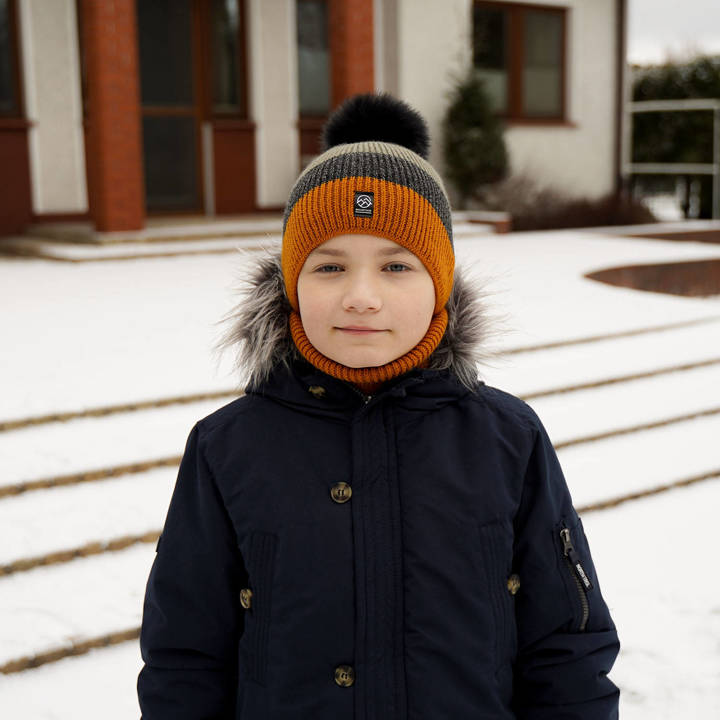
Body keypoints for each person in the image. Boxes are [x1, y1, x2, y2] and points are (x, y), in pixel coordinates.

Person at [137, 93, 620, 719]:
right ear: (290, 285)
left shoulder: (507, 437)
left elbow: (567, 640)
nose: (361, 297)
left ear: (440, 285)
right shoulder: (227, 445)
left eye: (396, 265)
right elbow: (185, 653)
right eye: (329, 266)